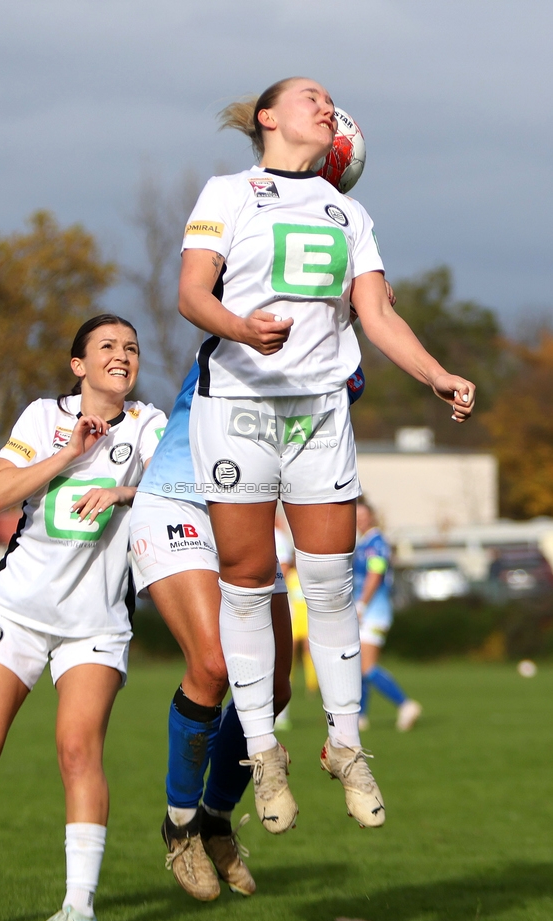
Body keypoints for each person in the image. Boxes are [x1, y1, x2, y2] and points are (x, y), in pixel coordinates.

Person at [178, 76, 476, 836]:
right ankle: (264, 754)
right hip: (238, 410)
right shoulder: (227, 191)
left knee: (332, 581)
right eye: (308, 94)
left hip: (319, 414)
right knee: (247, 583)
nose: (325, 103)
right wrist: (241, 330)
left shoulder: (350, 211)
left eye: (329, 98)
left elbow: (377, 314)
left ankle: (346, 746)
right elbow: (191, 295)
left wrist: (437, 373)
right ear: (268, 117)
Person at [0, 314, 165, 921]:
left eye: (132, 348)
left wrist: (122, 494)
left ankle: (79, 910)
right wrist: (70, 455)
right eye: (108, 347)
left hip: (96, 624)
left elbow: (184, 495)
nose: (122, 356)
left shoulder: (150, 427)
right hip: (18, 613)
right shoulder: (41, 417)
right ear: (78, 365)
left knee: (77, 751)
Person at [129, 359, 293, 901]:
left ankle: (216, 818)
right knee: (215, 665)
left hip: (245, 512)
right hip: (182, 499)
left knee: (274, 687)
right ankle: (179, 826)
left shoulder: (334, 360)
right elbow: (196, 294)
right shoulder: (233, 329)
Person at [354, 497, 421, 732]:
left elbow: (375, 573)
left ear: (371, 516)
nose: (360, 521)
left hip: (374, 611)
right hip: (365, 609)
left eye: (363, 517)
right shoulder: (364, 542)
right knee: (358, 666)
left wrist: (362, 604)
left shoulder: (376, 543)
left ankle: (405, 704)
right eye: (357, 517)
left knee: (366, 667)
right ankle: (359, 717)